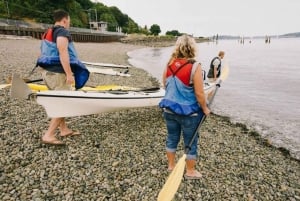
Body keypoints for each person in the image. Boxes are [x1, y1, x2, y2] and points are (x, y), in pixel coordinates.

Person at [159, 35, 210, 179]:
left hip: (169, 109)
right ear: (192, 48)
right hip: (189, 114)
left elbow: (165, 84)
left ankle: (171, 166)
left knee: (172, 137)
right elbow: (200, 93)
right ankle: (190, 171)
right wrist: (205, 109)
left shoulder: (169, 63)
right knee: (191, 142)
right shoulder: (195, 66)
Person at [38, 10, 88, 145]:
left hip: (48, 73)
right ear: (64, 20)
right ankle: (48, 135)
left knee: (60, 100)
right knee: (64, 102)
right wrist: (69, 74)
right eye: (69, 21)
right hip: (58, 74)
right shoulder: (62, 32)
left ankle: (64, 129)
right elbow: (62, 51)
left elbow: (44, 52)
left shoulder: (49, 32)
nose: (69, 23)